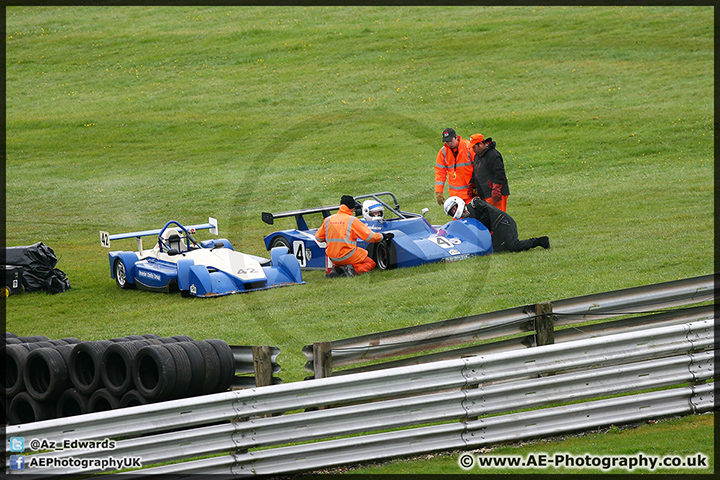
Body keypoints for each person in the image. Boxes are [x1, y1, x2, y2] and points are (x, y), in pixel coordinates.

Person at [315, 195, 392, 277]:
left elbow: (318, 238)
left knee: (346, 259)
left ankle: (339, 269)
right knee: (370, 263)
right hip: (347, 255)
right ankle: (351, 270)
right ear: (352, 207)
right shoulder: (352, 220)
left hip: (333, 258)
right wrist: (383, 236)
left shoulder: (328, 220)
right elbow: (369, 237)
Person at [443, 196, 549, 252]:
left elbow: (487, 212)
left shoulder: (475, 203)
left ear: (458, 203)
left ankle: (540, 241)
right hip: (496, 228)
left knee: (513, 246)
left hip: (503, 222)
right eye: (451, 212)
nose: (454, 211)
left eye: (454, 208)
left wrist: (479, 223)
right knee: (492, 249)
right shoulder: (467, 219)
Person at [469, 133, 510, 212]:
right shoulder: (477, 156)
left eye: (474, 147)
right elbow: (476, 172)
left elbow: (499, 173)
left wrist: (496, 189)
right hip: (485, 194)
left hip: (495, 194)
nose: (473, 149)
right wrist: (472, 185)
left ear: (480, 144)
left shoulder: (493, 155)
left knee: (497, 220)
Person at [434, 128, 475, 206]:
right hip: (455, 196)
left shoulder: (468, 147)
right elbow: (440, 172)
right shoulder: (443, 152)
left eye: (450, 141)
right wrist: (438, 191)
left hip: (471, 193)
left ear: (456, 137)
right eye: (447, 142)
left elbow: (479, 167)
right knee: (458, 218)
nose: (449, 143)